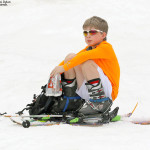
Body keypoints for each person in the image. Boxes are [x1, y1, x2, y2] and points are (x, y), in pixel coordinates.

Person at [50, 16, 120, 117]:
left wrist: (63, 68)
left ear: (103, 35)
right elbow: (74, 59)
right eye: (85, 32)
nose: (88, 36)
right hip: (89, 90)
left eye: (92, 32)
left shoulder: (106, 48)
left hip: (107, 94)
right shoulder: (89, 48)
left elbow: (85, 56)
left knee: (87, 62)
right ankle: (72, 101)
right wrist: (55, 72)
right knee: (71, 57)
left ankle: (100, 103)